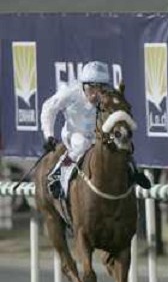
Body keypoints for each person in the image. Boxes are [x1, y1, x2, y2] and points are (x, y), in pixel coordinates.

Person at [41, 60, 151, 199]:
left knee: (119, 139)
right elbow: (48, 109)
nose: (94, 95)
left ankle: (134, 171)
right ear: (83, 85)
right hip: (75, 134)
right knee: (81, 145)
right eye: (91, 89)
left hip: (99, 135)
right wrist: (49, 135)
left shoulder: (108, 96)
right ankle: (58, 176)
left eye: (100, 90)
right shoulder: (70, 93)